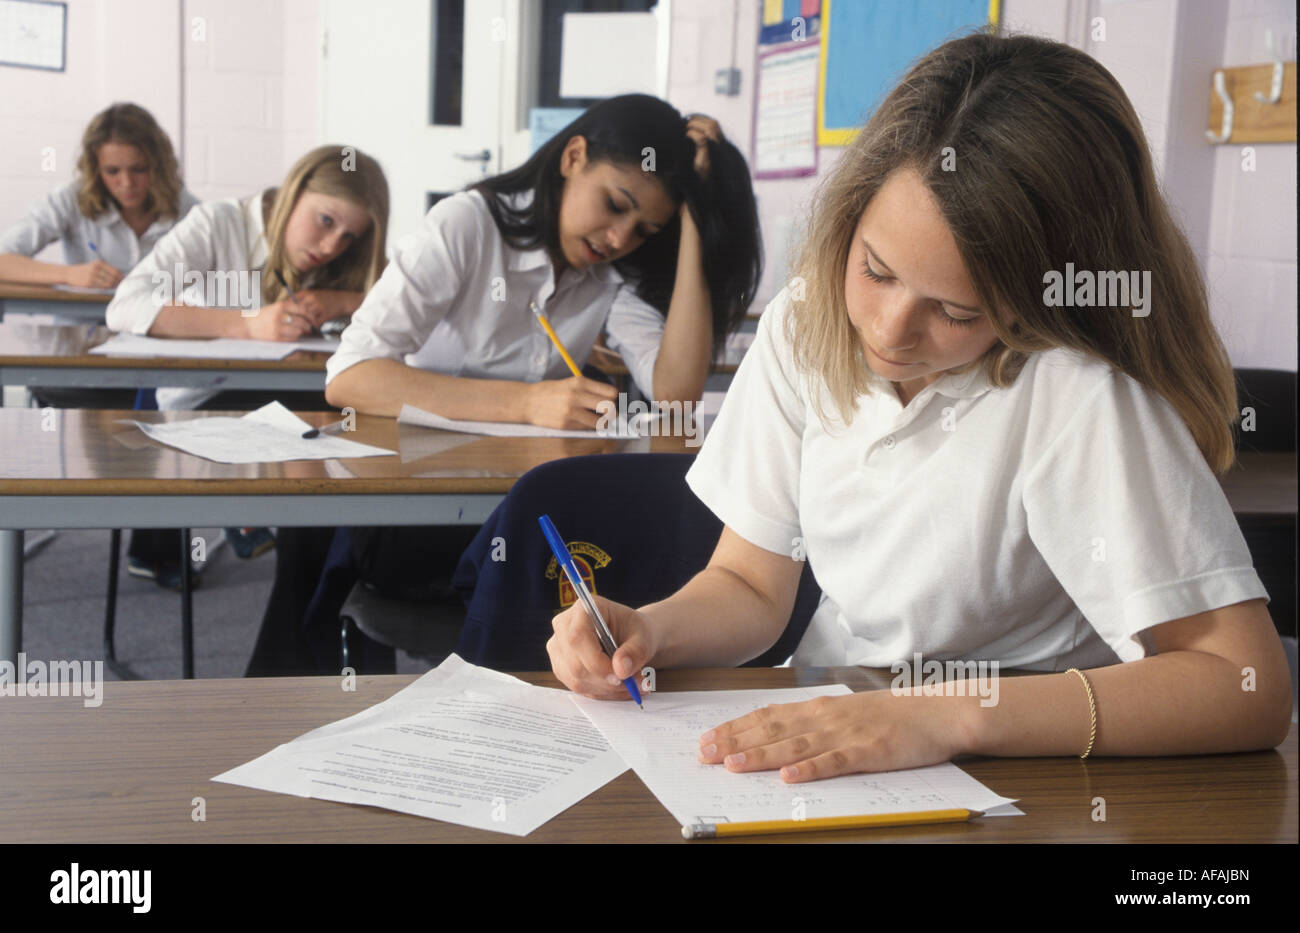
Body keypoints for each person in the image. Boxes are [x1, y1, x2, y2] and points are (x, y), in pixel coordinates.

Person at [547, 33, 1293, 779]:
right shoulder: (805, 323)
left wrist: (947, 713)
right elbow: (750, 585)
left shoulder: (1075, 392)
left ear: (1039, 301)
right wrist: (649, 628)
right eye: (875, 269)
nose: (888, 330)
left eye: (957, 312)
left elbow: (1244, 684)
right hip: (837, 728)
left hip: (1020, 776)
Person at [246, 94, 763, 676]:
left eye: (645, 229)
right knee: (607, 569)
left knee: (652, 551)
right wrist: (528, 403)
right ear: (573, 157)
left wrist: (692, 218)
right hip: (422, 514)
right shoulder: (469, 224)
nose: (619, 237)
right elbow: (349, 375)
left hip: (527, 513)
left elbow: (674, 399)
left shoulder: (610, 271)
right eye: (614, 205)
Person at [105, 144, 390, 583]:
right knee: (329, 466)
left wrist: (345, 300)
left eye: (349, 236)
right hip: (207, 403)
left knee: (347, 462)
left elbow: (404, 303)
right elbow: (126, 305)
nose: (332, 246)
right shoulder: (219, 222)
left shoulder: (345, 261)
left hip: (303, 411)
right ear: (293, 192)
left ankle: (321, 601)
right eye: (326, 221)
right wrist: (248, 325)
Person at [0, 102, 198, 291]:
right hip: (81, 324)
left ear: (157, 166)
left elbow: (222, 274)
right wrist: (69, 275)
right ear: (95, 169)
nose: (127, 183)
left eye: (139, 169)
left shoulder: (185, 208)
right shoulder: (70, 199)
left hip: (152, 325)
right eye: (112, 171)